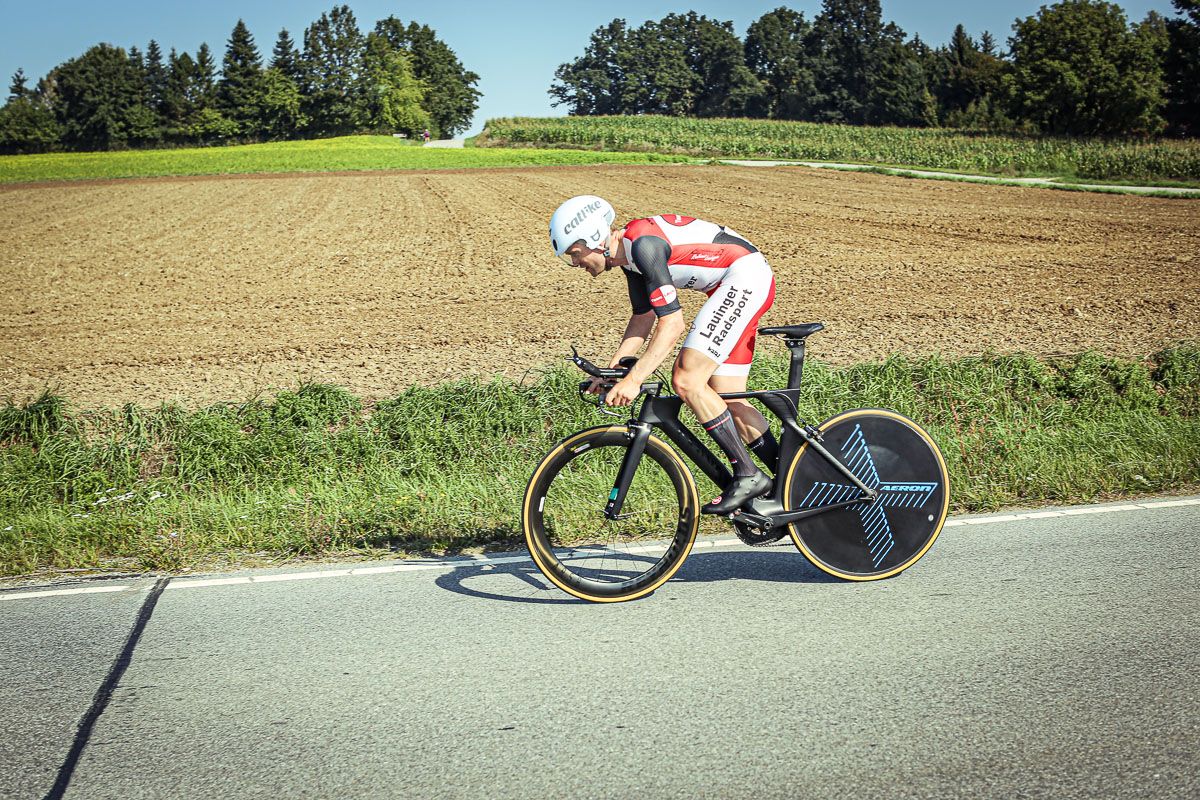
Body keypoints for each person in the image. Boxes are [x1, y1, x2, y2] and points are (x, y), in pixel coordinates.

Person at [549, 195, 779, 515]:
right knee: (727, 396)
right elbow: (643, 319)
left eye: (575, 253)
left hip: (744, 278)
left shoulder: (644, 246)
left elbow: (672, 325)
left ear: (597, 240)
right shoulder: (627, 258)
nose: (574, 263)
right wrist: (611, 371)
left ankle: (747, 475)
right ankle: (791, 481)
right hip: (740, 280)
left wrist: (635, 379)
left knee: (687, 379)